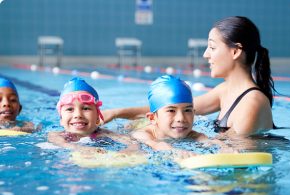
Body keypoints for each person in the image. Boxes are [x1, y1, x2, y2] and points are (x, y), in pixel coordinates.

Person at [102, 16, 276, 136]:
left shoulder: (251, 103)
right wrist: (116, 113)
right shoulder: (225, 90)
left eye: (212, 48)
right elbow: (170, 107)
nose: (206, 55)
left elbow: (225, 149)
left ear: (235, 51)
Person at [131, 75, 228, 153]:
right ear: (152, 118)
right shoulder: (142, 134)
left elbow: (207, 141)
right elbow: (155, 144)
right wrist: (173, 151)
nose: (181, 118)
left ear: (194, 114)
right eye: (171, 111)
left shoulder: (192, 134)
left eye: (187, 110)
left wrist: (222, 146)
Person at [48, 77, 138, 153]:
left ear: (97, 118)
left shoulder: (104, 134)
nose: (78, 115)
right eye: (70, 109)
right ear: (61, 120)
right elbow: (63, 144)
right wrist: (82, 149)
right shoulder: (56, 135)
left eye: (86, 108)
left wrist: (130, 150)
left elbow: (132, 142)